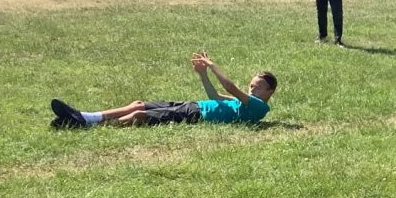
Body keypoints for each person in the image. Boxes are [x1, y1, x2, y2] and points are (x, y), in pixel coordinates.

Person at [50, 54, 276, 128]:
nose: (252, 88)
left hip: (197, 115)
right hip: (194, 105)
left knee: (139, 116)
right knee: (138, 104)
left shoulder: (259, 107)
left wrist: (212, 65)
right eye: (251, 84)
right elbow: (215, 96)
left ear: (270, 92)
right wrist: (203, 75)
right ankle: (86, 116)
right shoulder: (244, 103)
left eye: (258, 86)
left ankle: (87, 125)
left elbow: (229, 87)